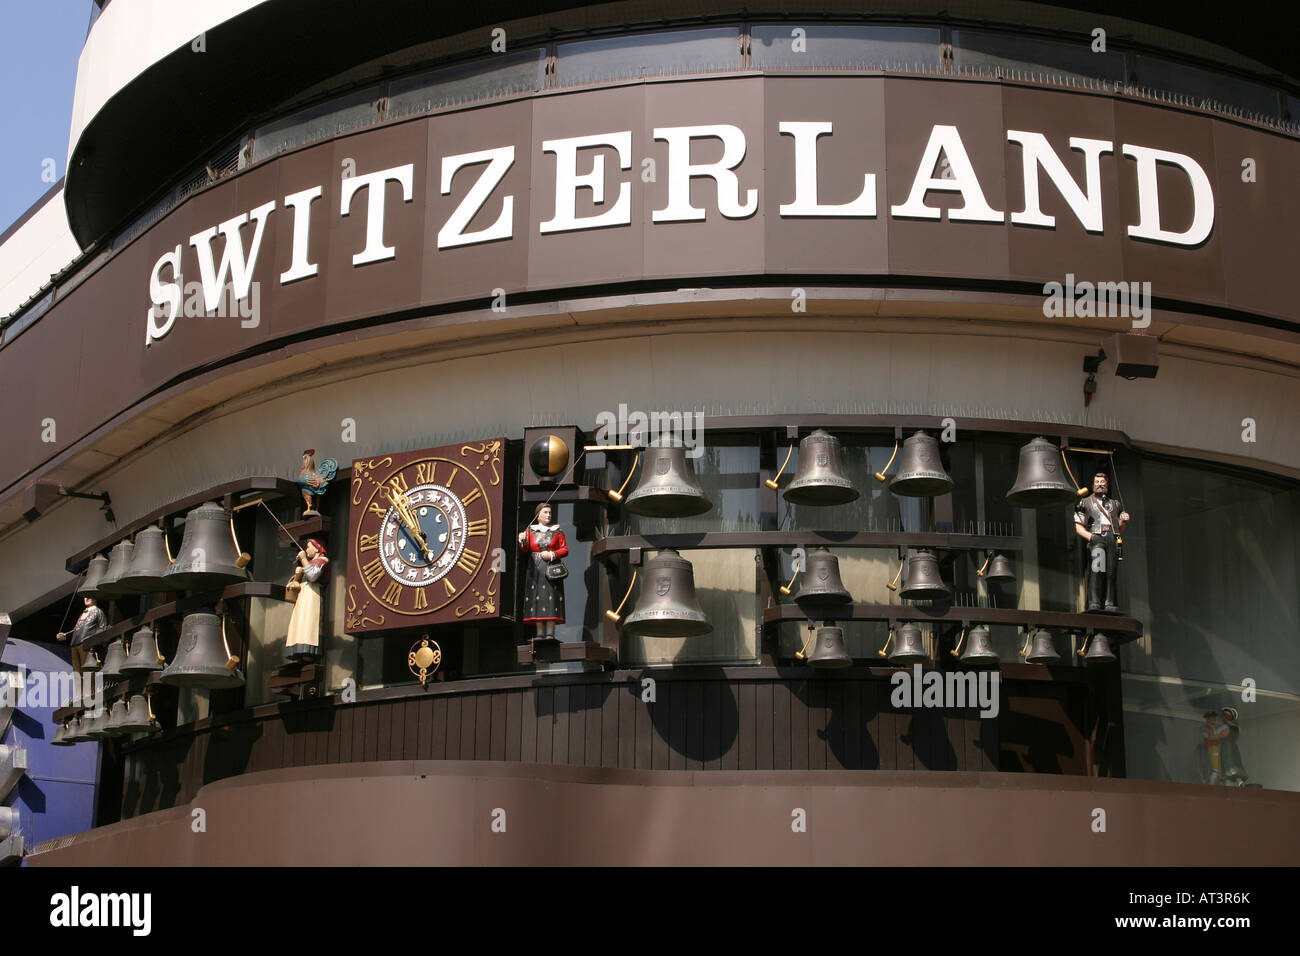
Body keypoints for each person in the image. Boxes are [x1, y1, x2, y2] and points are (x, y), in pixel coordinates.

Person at [1073, 470, 1130, 613]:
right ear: (1093, 485)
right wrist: (1091, 537)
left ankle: (1109, 601)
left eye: (1102, 482)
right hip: (1096, 536)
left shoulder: (1115, 504)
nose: (1100, 485)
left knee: (1111, 571)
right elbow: (1078, 526)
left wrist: (1123, 522)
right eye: (1097, 482)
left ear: (1107, 485)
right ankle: (1094, 601)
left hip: (1112, 537)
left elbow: (1120, 529)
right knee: (1097, 570)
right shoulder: (1085, 502)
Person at [517, 503, 568, 645]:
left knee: (551, 599)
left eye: (550, 512)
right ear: (538, 514)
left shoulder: (557, 531)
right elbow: (525, 548)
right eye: (545, 512)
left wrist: (552, 554)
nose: (548, 515)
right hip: (535, 569)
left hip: (551, 569)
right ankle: (539, 633)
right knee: (537, 600)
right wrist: (521, 539)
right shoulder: (530, 531)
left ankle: (550, 632)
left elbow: (564, 549)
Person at [284, 538, 329, 661]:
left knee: (309, 622)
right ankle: (297, 649)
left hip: (312, 596)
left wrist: (303, 559)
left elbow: (313, 575)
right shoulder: (310, 563)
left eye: (309, 547)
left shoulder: (322, 560)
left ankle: (308, 651)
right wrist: (298, 575)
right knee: (300, 622)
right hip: (303, 596)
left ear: (317, 548)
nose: (306, 550)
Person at [56, 596, 107, 674]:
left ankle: (88, 685)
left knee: (86, 669)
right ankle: (79, 686)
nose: (86, 598)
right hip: (75, 644)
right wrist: (65, 635)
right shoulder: (83, 613)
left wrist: (91, 639)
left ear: (95, 598)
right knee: (76, 671)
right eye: (85, 596)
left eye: (89, 596)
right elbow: (77, 629)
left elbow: (102, 628)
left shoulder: (98, 611)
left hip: (85, 643)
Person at [1199, 710, 1230, 785]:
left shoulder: (1213, 728)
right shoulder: (1205, 728)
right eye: (1212, 718)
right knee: (1215, 769)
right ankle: (1211, 785)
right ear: (1208, 719)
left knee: (1218, 769)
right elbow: (1210, 737)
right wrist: (1221, 733)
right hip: (1212, 748)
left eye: (1214, 718)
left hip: (1217, 748)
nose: (1214, 720)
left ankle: (1218, 782)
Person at [1219, 706, 1248, 785]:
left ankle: (1230, 783)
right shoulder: (1237, 728)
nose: (1223, 718)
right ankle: (1238, 782)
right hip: (1233, 746)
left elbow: (1218, 736)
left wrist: (1211, 736)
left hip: (1226, 747)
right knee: (1235, 763)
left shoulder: (1225, 727)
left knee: (1228, 763)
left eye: (1225, 716)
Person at [298, 449, 329, 517]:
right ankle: (311, 508)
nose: (303, 460)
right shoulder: (306, 472)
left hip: (311, 490)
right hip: (310, 490)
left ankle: (312, 509)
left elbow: (301, 480)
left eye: (305, 458)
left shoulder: (308, 473)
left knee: (308, 494)